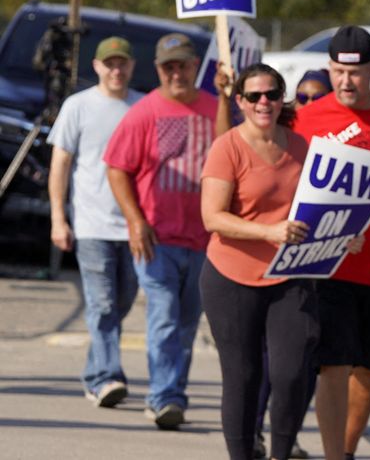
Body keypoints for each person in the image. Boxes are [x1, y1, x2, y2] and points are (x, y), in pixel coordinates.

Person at [293, 25, 370, 460]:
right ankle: (333, 455)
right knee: (334, 363)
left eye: (355, 73)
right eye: (336, 73)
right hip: (327, 266)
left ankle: (345, 450)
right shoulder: (305, 120)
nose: (346, 82)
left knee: (367, 367)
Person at [104, 32, 225, 429]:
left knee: (188, 322)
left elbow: (232, 155)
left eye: (183, 65)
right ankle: (164, 397)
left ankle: (172, 390)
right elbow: (117, 168)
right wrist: (136, 221)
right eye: (168, 67)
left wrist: (227, 96)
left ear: (195, 67)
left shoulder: (213, 108)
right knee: (164, 317)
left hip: (205, 240)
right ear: (158, 70)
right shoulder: (144, 112)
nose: (177, 73)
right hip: (158, 239)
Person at [200, 63, 318, 460]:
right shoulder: (227, 147)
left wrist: (340, 235)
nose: (264, 102)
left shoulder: (300, 146)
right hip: (231, 277)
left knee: (291, 373)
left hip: (289, 276)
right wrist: (268, 231)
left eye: (271, 94)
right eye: (254, 96)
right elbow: (212, 218)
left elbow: (314, 210)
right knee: (243, 376)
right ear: (240, 102)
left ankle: (281, 454)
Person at [48, 36, 143, 408]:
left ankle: (94, 372)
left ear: (132, 66)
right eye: (110, 64)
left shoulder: (142, 107)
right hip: (91, 225)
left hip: (134, 226)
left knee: (121, 302)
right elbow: (61, 164)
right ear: (98, 67)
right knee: (102, 304)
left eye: (123, 64)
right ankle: (106, 377)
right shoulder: (78, 106)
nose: (116, 70)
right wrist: (59, 218)